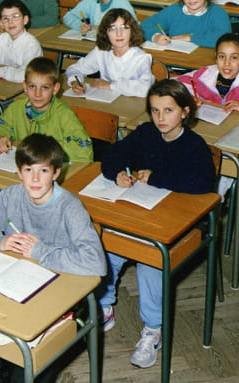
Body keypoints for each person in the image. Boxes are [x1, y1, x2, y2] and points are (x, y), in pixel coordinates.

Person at [0, 133, 107, 383]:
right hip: (16, 287)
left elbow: (96, 262)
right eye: (28, 170)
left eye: (43, 171)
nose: (35, 179)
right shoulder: (12, 196)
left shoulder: (70, 207)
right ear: (18, 172)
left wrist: (40, 251)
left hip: (60, 295)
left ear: (56, 173)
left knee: (27, 364)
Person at [99, 79, 215, 368]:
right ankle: (104, 306)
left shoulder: (194, 146)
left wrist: (157, 178)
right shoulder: (146, 133)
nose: (160, 118)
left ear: (185, 112)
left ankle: (153, 328)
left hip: (179, 225)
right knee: (107, 245)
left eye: (168, 110)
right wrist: (117, 173)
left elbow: (203, 184)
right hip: (143, 213)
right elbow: (112, 154)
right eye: (154, 110)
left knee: (150, 261)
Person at [0, 56, 93, 163]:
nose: (37, 94)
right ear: (25, 86)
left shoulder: (64, 114)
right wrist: (0, 136)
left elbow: (83, 151)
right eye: (32, 86)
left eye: (45, 87)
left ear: (55, 89)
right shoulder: (16, 108)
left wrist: (45, 150)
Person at [66, 8, 154, 97]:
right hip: (105, 100)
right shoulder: (101, 52)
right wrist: (75, 81)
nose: (119, 34)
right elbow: (75, 69)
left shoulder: (141, 58)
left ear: (132, 30)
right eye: (112, 28)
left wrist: (111, 86)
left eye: (124, 28)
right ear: (105, 32)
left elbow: (146, 88)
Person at [141, 0, 232, 48]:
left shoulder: (218, 13)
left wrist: (191, 37)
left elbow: (224, 38)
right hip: (176, 59)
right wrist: (156, 37)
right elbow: (146, 25)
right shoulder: (174, 10)